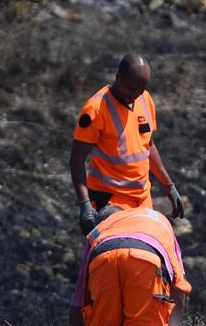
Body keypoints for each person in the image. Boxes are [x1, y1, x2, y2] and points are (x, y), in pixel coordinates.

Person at [50, 205, 191, 326]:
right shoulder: (159, 222)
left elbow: (79, 299)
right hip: (143, 257)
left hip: (103, 259)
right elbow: (179, 286)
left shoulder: (98, 232)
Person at [70, 54, 185, 235]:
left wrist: (169, 185)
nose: (133, 96)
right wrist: (84, 205)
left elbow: (148, 145)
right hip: (110, 200)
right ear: (118, 77)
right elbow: (77, 159)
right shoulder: (95, 110)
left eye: (139, 90)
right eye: (129, 88)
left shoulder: (145, 100)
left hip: (142, 199)